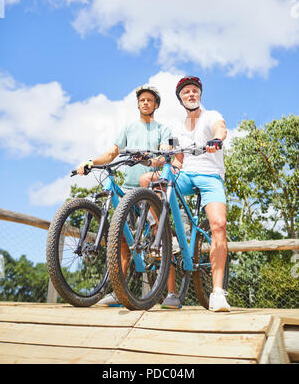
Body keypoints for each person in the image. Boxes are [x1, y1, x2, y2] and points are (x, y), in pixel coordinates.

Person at [140, 76, 230, 312]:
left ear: (199, 95)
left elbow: (221, 129)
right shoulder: (176, 126)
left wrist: (216, 140)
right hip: (186, 174)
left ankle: (218, 293)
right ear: (181, 99)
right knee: (149, 181)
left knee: (219, 225)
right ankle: (165, 232)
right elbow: (172, 155)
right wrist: (153, 160)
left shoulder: (211, 116)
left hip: (210, 175)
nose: (191, 94)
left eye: (194, 91)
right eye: (186, 92)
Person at [76, 85, 171, 306]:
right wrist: (91, 161)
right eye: (142, 100)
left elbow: (164, 157)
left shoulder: (162, 129)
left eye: (149, 100)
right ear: (138, 104)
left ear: (156, 105)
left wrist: (149, 160)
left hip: (152, 190)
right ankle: (117, 291)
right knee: (121, 241)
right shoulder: (128, 128)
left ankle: (167, 292)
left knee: (159, 238)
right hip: (128, 189)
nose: (145, 103)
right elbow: (112, 153)